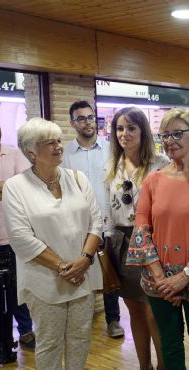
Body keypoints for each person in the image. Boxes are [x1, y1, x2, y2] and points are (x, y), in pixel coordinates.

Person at [1, 117, 103, 370]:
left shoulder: (78, 179)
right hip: (44, 281)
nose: (59, 146)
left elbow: (96, 222)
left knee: (81, 339)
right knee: (49, 344)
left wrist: (84, 260)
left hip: (83, 275)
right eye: (50, 143)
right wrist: (62, 267)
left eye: (59, 140)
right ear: (31, 151)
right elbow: (21, 238)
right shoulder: (15, 187)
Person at [127, 108, 189, 370]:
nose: (170, 140)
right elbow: (141, 229)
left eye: (178, 133)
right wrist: (161, 278)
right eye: (165, 135)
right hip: (159, 282)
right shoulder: (153, 180)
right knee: (169, 344)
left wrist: (184, 276)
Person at [104, 107, 168, 370]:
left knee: (155, 312)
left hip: (153, 240)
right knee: (134, 312)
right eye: (119, 128)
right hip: (121, 241)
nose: (124, 134)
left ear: (143, 131)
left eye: (131, 128)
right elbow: (108, 209)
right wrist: (106, 249)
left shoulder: (160, 163)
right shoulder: (112, 166)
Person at [0, 107, 35, 366]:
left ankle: (26, 332)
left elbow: (26, 185)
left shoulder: (14, 153)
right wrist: (10, 187)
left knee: (19, 289)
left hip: (16, 238)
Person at [62, 100, 124, 339]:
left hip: (108, 223)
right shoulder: (65, 154)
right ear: (72, 123)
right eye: (81, 118)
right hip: (77, 225)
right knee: (81, 272)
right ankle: (81, 322)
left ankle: (113, 321)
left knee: (109, 272)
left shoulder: (111, 150)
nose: (87, 122)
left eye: (90, 117)